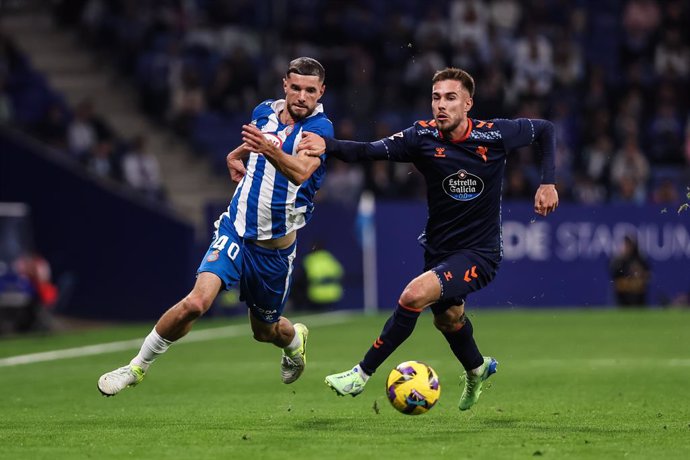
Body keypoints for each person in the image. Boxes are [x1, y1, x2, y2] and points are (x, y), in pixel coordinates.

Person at [298, 67, 559, 410]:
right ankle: (478, 369)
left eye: (450, 98)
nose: (441, 105)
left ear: (468, 103)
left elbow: (545, 129)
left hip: (480, 253)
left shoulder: (494, 135)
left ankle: (360, 374)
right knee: (447, 319)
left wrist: (547, 181)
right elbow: (367, 151)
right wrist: (327, 146)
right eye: (436, 97)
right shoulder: (421, 138)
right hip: (439, 250)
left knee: (413, 295)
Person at [97, 57, 334, 395]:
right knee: (196, 302)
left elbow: (299, 171)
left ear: (321, 92)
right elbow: (259, 141)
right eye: (295, 87)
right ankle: (136, 366)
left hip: (274, 253)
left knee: (264, 331)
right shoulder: (264, 111)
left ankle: (294, 341)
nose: (301, 96)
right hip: (235, 230)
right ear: (285, 84)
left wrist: (266, 148)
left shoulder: (320, 130)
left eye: (310, 91)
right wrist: (235, 153)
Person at [610, 235, 651, 307]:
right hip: (622, 298)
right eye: (625, 244)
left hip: (638, 298)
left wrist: (640, 274)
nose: (626, 247)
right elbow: (613, 275)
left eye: (628, 245)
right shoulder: (619, 260)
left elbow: (648, 275)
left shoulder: (639, 259)